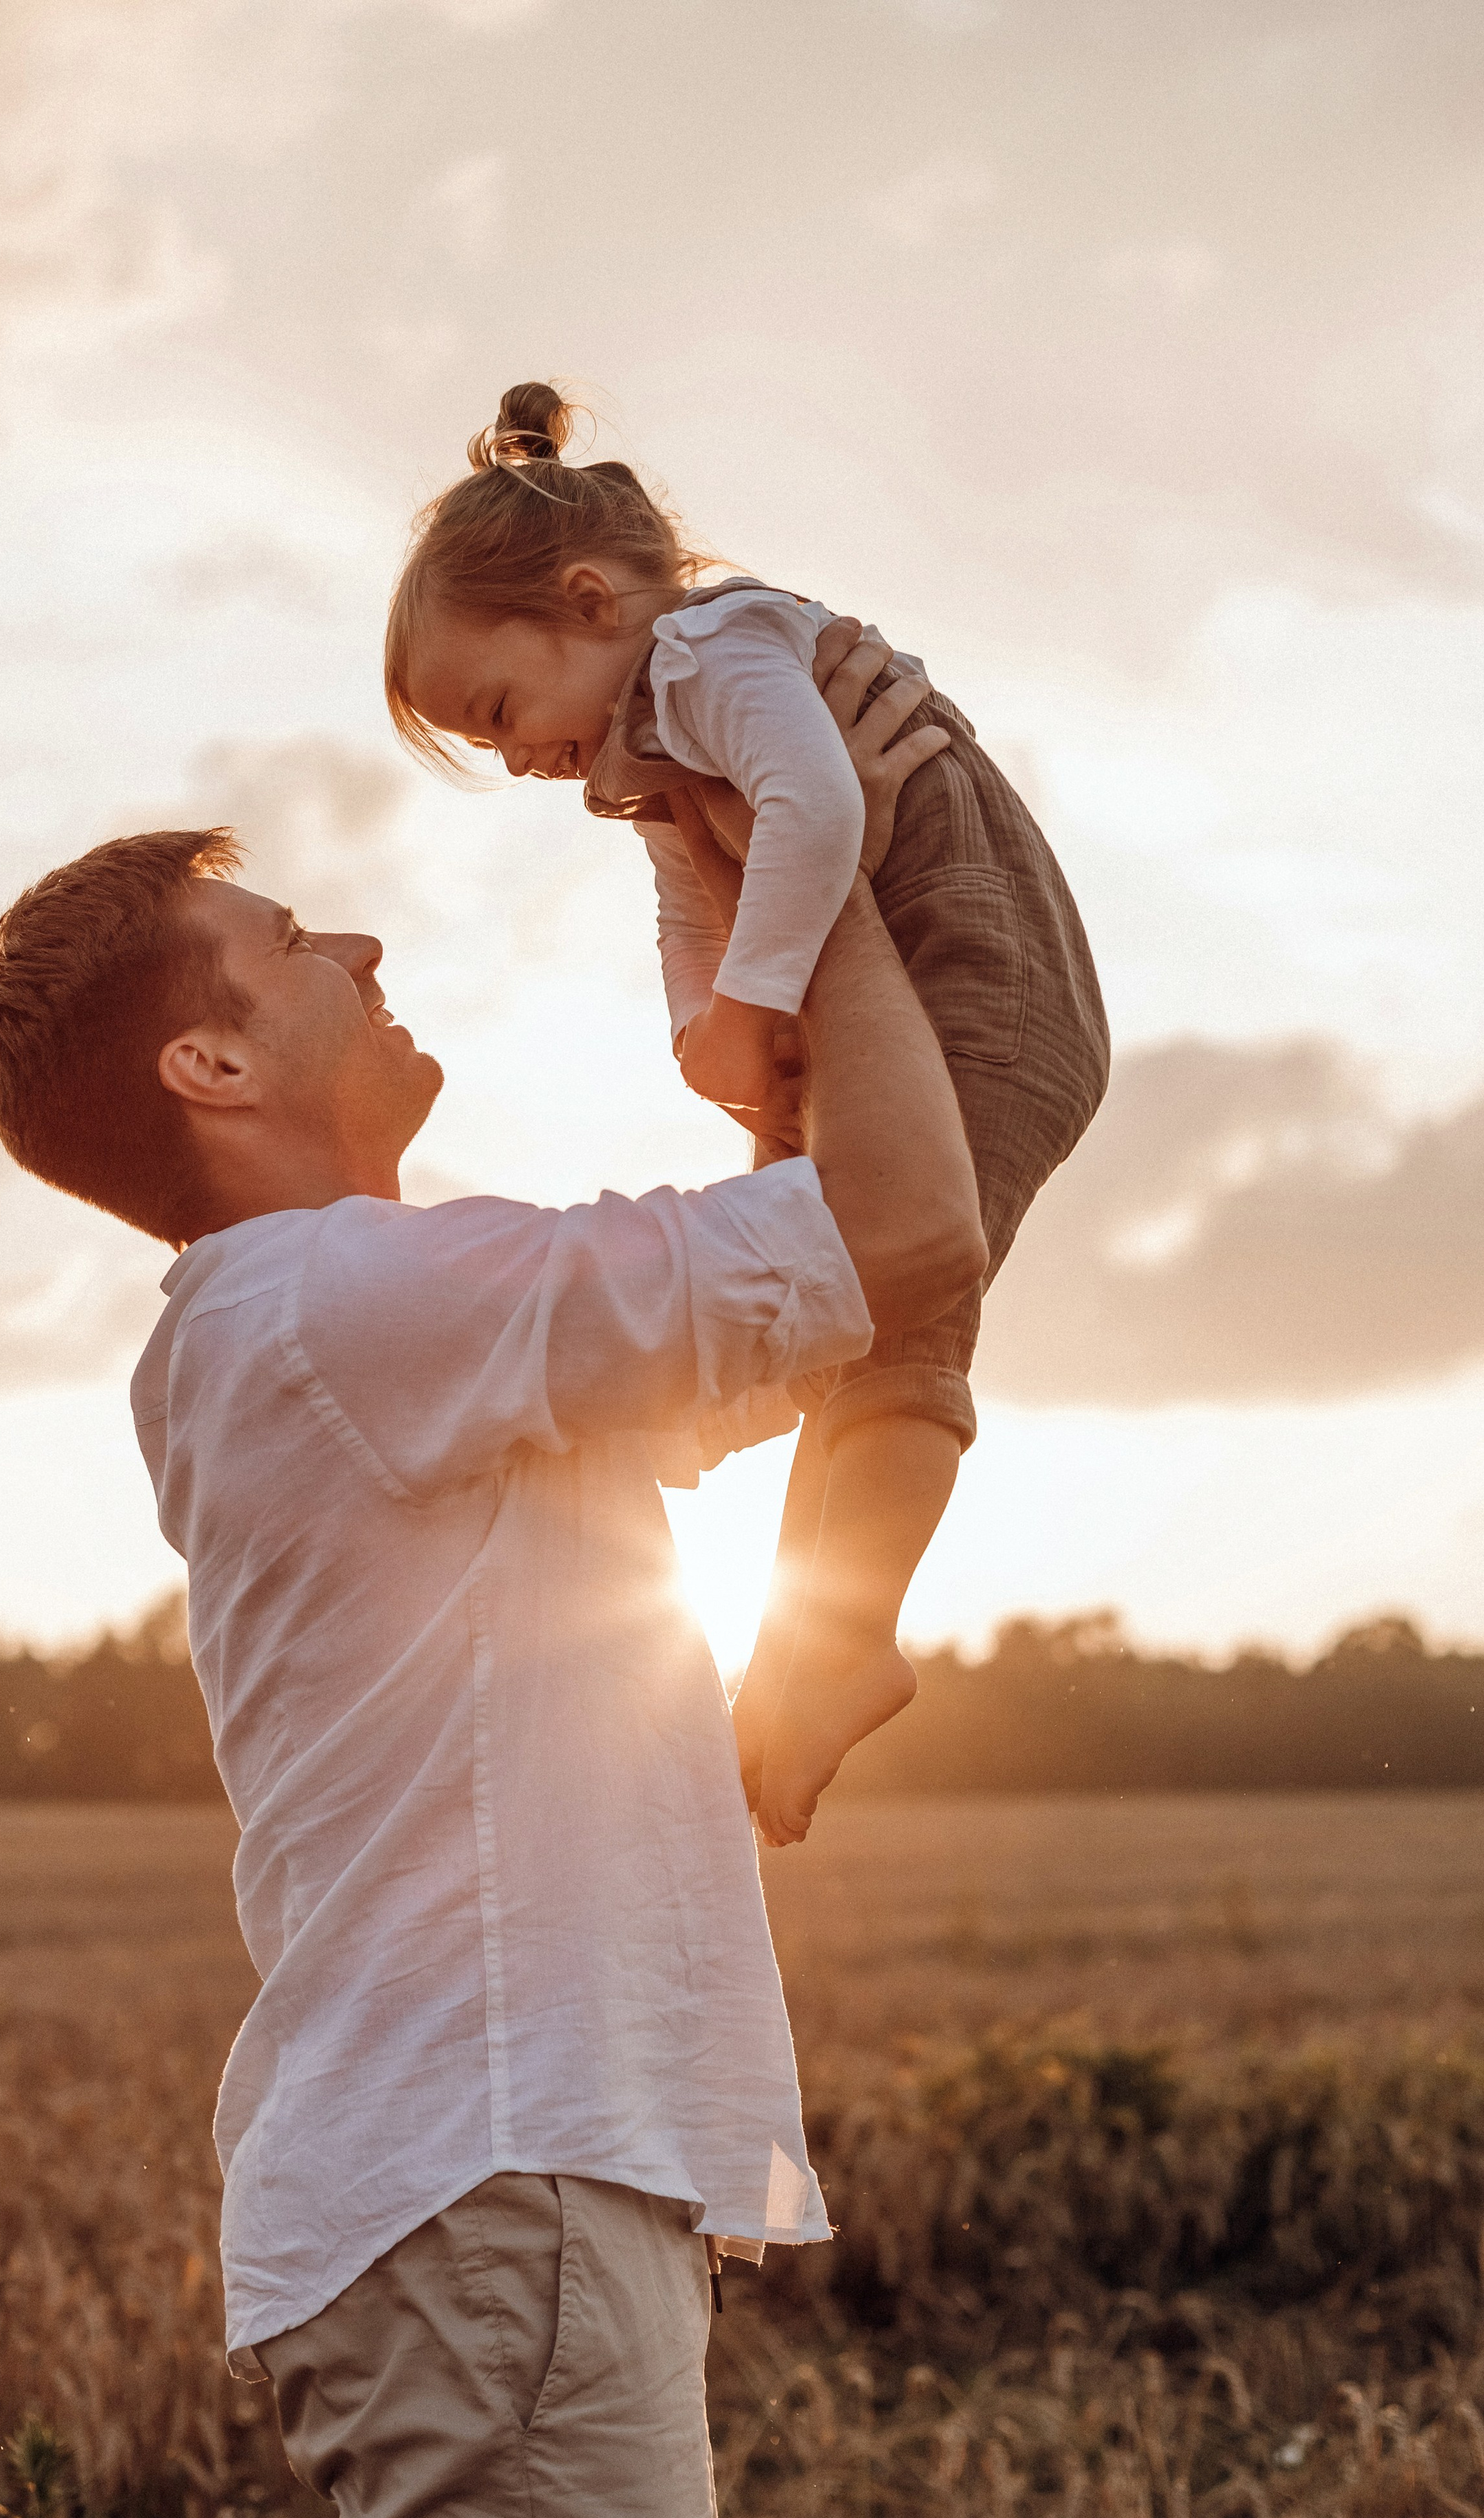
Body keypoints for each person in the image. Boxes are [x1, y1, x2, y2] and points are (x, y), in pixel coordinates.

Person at [0, 637, 984, 2518]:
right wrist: (819, 857)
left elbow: (823, 1287)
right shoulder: (345, 1307)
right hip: (493, 2180)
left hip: (498, 2188)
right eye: (287, 944)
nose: (356, 940)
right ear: (211, 1068)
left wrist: (750, 890)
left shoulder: (344, 1333)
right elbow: (905, 1238)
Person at [384, 379, 1111, 1848]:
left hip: (980, 964)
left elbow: (819, 811)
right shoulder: (641, 741)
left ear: (588, 603)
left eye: (500, 711)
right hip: (893, 978)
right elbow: (686, 904)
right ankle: (798, 1640)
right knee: (837, 1299)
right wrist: (703, 1029)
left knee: (902, 1299)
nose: (514, 759)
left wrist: (755, 996)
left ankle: (846, 1633)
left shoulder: (715, 651)